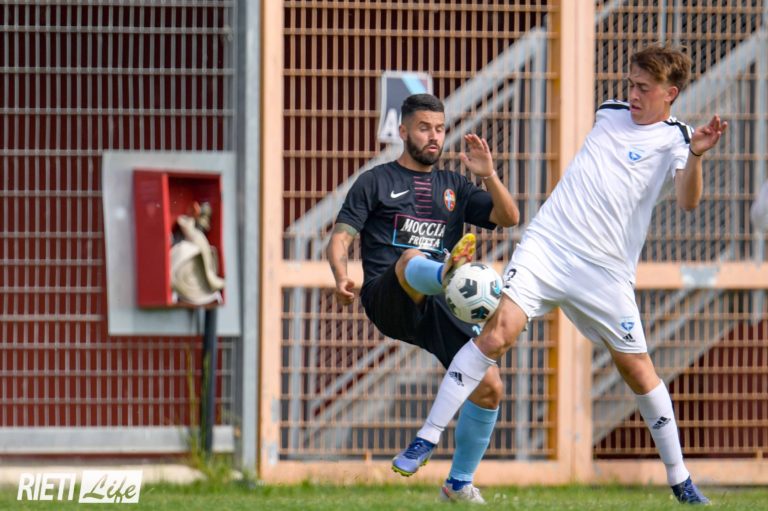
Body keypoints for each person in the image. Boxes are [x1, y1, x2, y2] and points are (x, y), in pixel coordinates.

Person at [396, 46, 727, 505]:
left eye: (644, 88)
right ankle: (427, 437)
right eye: (631, 84)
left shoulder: (678, 138)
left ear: (670, 93)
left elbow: (689, 201)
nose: (632, 94)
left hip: (606, 271)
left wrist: (696, 155)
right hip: (548, 246)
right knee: (497, 334)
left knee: (637, 370)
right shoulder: (609, 112)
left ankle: (680, 479)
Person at [326, 93, 519, 503]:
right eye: (423, 128)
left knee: (489, 386)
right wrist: (342, 276)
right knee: (411, 257)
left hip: (439, 305)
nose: (433, 137)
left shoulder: (454, 186)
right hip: (388, 297)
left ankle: (458, 483)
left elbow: (509, 217)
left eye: (439, 129)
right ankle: (442, 272)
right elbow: (339, 238)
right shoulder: (375, 182)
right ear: (403, 131)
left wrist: (488, 175)